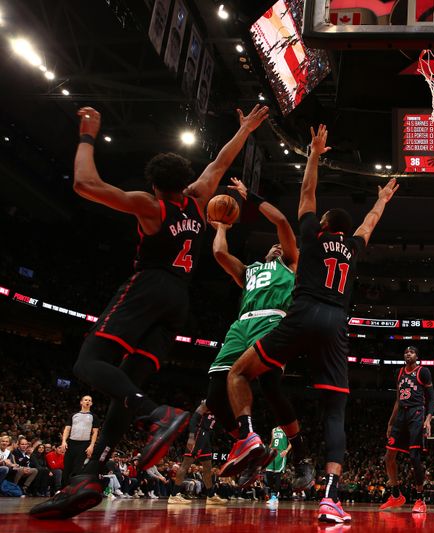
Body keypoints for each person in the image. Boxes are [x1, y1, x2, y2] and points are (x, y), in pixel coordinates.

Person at [31, 103, 269, 520]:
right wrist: (246, 128)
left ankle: (157, 414)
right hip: (180, 302)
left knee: (89, 361)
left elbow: (86, 184)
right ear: (184, 182)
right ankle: (90, 474)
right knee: (126, 387)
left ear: (155, 185)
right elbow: (220, 160)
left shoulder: (152, 206)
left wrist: (87, 134)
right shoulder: (198, 201)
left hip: (149, 286)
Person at [224, 124, 399, 524]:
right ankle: (330, 497)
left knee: (239, 374)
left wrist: (315, 154)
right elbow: (369, 222)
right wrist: (382, 200)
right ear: (343, 230)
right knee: (335, 411)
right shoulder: (353, 248)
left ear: (321, 226)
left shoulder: (309, 237)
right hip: (336, 322)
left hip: (301, 313)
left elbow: (306, 192)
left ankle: (249, 433)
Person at [207, 177, 312, 490]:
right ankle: (250, 445)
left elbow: (281, 220)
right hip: (241, 326)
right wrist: (222, 229)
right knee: (214, 396)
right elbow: (220, 256)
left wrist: (250, 197)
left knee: (270, 385)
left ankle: (302, 457)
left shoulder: (291, 265)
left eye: (282, 246)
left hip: (272, 321)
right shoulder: (249, 270)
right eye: (274, 246)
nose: (278, 246)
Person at [380, 346, 434, 513]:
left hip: (416, 413)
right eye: (405, 352)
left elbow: (431, 397)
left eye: (411, 352)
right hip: (401, 416)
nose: (407, 354)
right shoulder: (399, 372)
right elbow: (397, 400)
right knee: (389, 456)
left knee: (414, 457)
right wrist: (390, 422)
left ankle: (420, 499)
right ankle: (396, 494)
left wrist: (428, 418)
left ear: (417, 356)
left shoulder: (423, 371)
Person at [167, 401, 215, 504]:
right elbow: (193, 419)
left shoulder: (219, 406)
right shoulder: (207, 403)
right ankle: (174, 495)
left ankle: (211, 496)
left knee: (208, 467)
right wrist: (191, 436)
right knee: (186, 464)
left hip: (206, 435)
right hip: (198, 433)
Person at [60, 395, 99, 488]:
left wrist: (91, 446)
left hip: (84, 444)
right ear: (81, 402)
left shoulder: (94, 416)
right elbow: (67, 429)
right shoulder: (73, 415)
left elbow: (95, 432)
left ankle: (72, 489)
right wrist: (64, 441)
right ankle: (63, 489)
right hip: (71, 443)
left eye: (89, 400)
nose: (87, 401)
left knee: (77, 469)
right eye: (85, 400)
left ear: (91, 403)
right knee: (67, 467)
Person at [265, 426, 291, 510]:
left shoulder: (287, 429)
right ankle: (273, 493)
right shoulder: (274, 429)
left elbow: (292, 443)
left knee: (277, 475)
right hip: (273, 453)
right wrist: (267, 451)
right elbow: (272, 441)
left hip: (280, 453)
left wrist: (286, 451)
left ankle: (275, 496)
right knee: (268, 473)